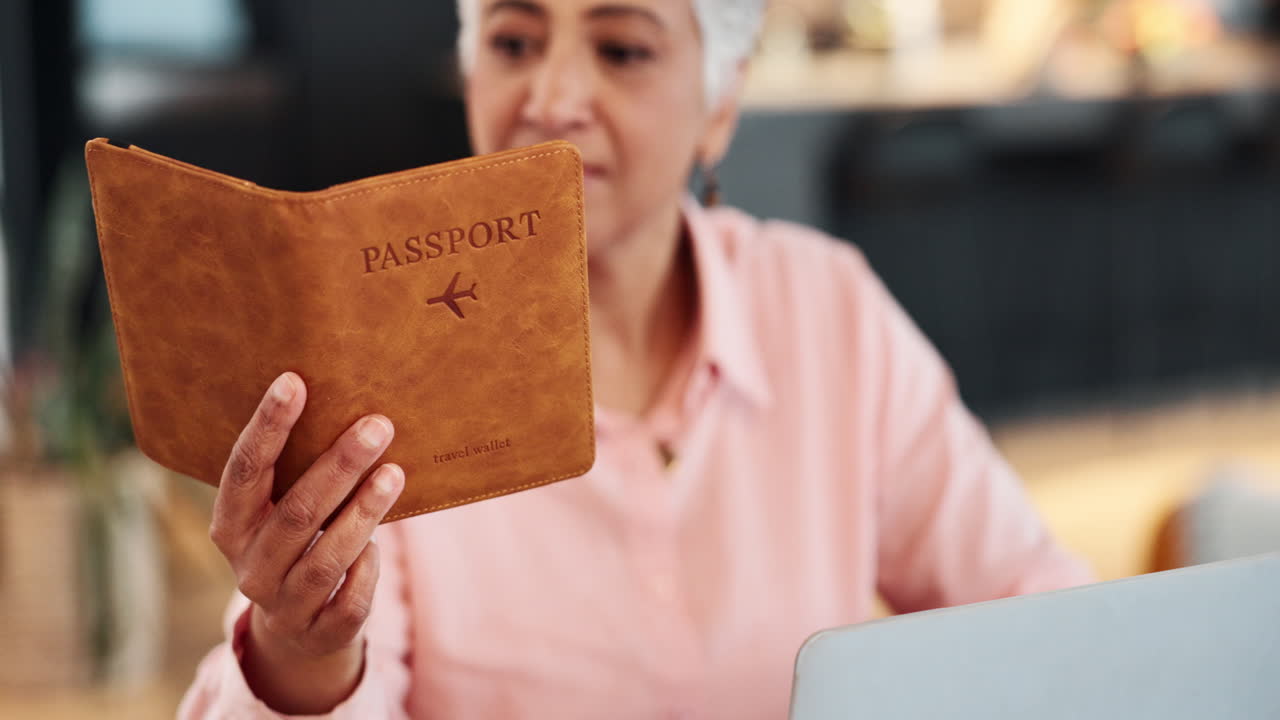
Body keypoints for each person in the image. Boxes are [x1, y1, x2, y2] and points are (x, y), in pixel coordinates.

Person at [178, 1, 1093, 717]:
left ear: (719, 107)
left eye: (621, 49)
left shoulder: (825, 311)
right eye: (513, 41)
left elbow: (1040, 614)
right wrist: (302, 651)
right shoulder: (369, 374)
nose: (553, 96)